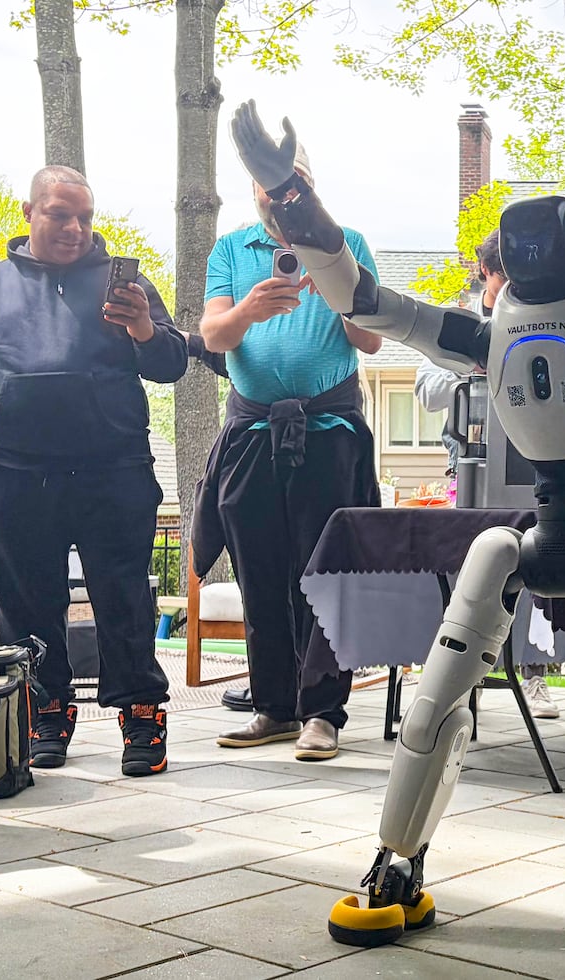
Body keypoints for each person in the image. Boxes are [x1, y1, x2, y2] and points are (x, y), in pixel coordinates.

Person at [0, 165, 188, 776]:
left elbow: (173, 363)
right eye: (59, 214)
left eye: (85, 216)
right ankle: (45, 711)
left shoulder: (120, 282)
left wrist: (143, 328)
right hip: (17, 471)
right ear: (29, 214)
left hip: (113, 468)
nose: (75, 228)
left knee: (123, 594)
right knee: (26, 602)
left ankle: (142, 715)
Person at [193, 142, 381, 761]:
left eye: (293, 178)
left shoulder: (344, 241)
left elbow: (371, 340)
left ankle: (323, 713)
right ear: (254, 188)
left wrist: (333, 279)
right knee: (260, 575)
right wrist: (248, 308)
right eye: (269, 182)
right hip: (251, 437)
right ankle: (273, 707)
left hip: (328, 435)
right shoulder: (230, 249)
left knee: (323, 575)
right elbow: (213, 335)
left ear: (310, 182)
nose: (280, 193)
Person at [413, 229, 560, 720]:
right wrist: (473, 367)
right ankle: (461, 678)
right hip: (470, 470)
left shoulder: (540, 322)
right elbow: (428, 392)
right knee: (469, 572)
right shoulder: (455, 324)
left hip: (532, 469)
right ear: (487, 275)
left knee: (536, 569)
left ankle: (534, 676)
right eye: (509, 278)